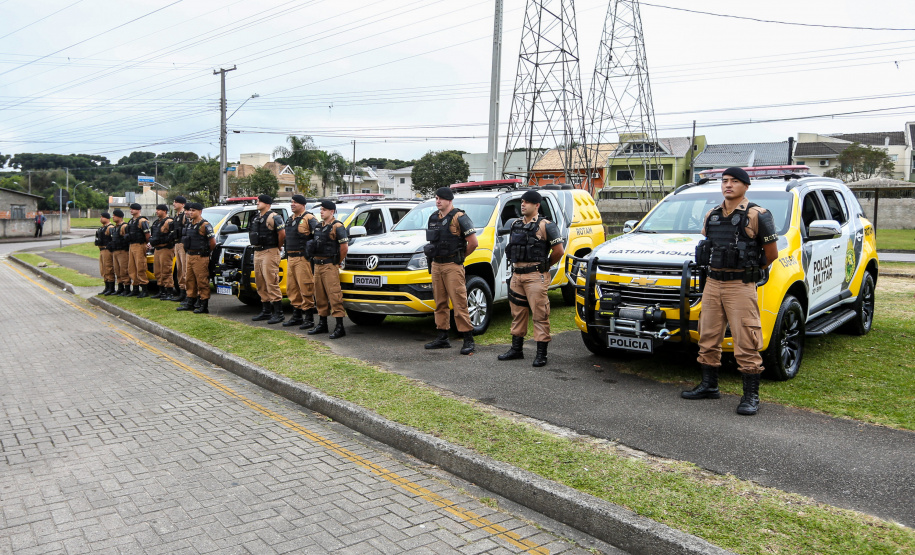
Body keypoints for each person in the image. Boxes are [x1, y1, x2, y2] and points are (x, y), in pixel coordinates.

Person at [683, 167, 779, 416]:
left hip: (740, 286)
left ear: (746, 186)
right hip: (713, 284)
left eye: (735, 181)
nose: (728, 185)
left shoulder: (758, 215)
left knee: (746, 339)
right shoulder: (711, 215)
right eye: (725, 181)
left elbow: (771, 254)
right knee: (707, 335)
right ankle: (709, 385)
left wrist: (748, 271)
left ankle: (750, 396)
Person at [497, 190, 564, 367]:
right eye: (522, 201)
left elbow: (559, 251)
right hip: (517, 275)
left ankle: (541, 354)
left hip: (536, 276)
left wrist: (545, 266)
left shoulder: (547, 225)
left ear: (536, 205)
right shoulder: (515, 224)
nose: (523, 204)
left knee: (540, 314)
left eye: (527, 202)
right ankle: (516, 349)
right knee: (517, 313)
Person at [423, 187, 478, 355]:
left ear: (449, 200)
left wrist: (459, 258)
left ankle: (468, 339)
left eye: (441, 198)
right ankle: (442, 336)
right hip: (437, 265)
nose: (438, 201)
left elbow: (473, 243)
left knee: (459, 303)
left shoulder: (460, 217)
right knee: (440, 302)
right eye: (436, 198)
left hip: (452, 265)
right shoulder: (433, 218)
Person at [307, 200, 348, 339]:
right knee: (319, 296)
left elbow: (344, 247)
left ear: (332, 211)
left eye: (324, 209)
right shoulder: (319, 226)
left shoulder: (337, 226)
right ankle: (322, 324)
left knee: (334, 295)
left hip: (330, 265)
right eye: (321, 209)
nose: (321, 211)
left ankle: (339, 326)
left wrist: (337, 262)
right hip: (317, 265)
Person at [282, 194, 319, 330]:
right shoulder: (290, 219)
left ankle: (309, 318)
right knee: (292, 288)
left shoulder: (309, 218)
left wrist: (311, 254)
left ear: (302, 204)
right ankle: (297, 316)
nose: (292, 204)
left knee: (306, 287)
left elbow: (317, 237)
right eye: (291, 202)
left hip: (303, 259)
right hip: (291, 258)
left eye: (295, 202)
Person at [249, 194, 287, 324]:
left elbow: (282, 233)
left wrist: (278, 246)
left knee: (271, 281)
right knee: (260, 282)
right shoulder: (256, 217)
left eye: (260, 201)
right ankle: (266, 311)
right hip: (258, 251)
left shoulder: (274, 217)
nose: (257, 203)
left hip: (270, 251)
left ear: (267, 204)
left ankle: (278, 313)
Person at [176, 203, 216, 314]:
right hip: (190, 255)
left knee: (201, 281)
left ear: (200, 211)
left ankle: (203, 304)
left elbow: (212, 242)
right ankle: (190, 302)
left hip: (200, 256)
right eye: (190, 210)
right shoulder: (189, 224)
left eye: (194, 210)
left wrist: (206, 252)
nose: (191, 212)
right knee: (189, 280)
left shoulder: (205, 225)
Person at [149, 204, 176, 300]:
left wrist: (166, 241)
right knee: (157, 271)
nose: (157, 211)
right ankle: (161, 291)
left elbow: (173, 235)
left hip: (166, 248)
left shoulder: (169, 221)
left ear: (164, 211)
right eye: (156, 210)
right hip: (157, 248)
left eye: (159, 210)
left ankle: (169, 291)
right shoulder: (156, 222)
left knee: (166, 270)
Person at [125, 203, 151, 298]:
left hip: (140, 245)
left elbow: (147, 235)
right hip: (132, 245)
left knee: (140, 266)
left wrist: (148, 244)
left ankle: (144, 289)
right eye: (131, 209)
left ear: (138, 210)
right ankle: (135, 287)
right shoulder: (131, 221)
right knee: (132, 268)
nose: (131, 210)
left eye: (133, 209)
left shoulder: (142, 221)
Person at [169, 196, 189, 303]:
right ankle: (182, 291)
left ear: (182, 204)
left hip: (182, 244)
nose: (174, 203)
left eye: (176, 202)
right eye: (174, 201)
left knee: (185, 269)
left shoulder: (184, 215)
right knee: (179, 269)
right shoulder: (176, 216)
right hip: (177, 243)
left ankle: (187, 293)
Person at [109, 209, 131, 296]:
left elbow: (127, 239)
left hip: (123, 251)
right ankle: (120, 287)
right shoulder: (115, 228)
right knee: (117, 270)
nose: (113, 217)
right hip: (115, 251)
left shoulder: (124, 226)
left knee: (124, 270)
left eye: (114, 215)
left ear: (120, 217)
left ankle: (127, 288)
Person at [95, 212, 116, 295]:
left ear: (107, 218)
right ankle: (106, 287)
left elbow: (113, 239)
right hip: (101, 250)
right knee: (103, 269)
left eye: (102, 217)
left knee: (108, 268)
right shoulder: (101, 228)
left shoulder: (110, 227)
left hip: (107, 250)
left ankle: (111, 288)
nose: (101, 219)